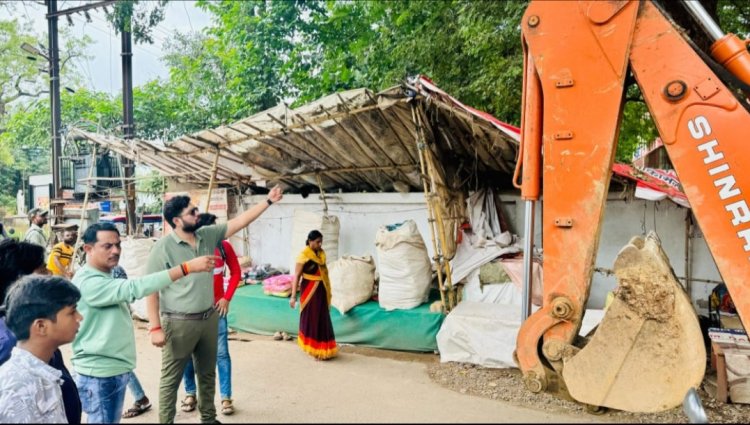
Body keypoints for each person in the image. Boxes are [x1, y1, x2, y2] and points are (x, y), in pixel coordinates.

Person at [146, 186, 283, 424]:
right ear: (177, 220)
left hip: (209, 318)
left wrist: (268, 202)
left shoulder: (208, 235)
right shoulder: (162, 248)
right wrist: (154, 327)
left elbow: (240, 221)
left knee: (207, 373)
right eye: (192, 212)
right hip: (178, 323)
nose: (197, 214)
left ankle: (209, 418)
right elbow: (151, 289)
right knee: (171, 379)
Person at [71, 222, 218, 424]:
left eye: (118, 245)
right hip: (100, 374)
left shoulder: (104, 276)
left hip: (110, 370)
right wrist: (186, 268)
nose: (115, 251)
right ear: (88, 249)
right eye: (107, 246)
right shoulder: (90, 282)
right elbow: (137, 287)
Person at [0, 238, 82, 424]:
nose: (49, 273)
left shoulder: (39, 338)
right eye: (42, 271)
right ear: (22, 283)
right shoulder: (10, 345)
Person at [180, 213, 242, 416]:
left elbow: (236, 272)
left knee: (221, 354)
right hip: (190, 311)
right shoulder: (188, 249)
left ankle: (226, 397)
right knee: (187, 355)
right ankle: (190, 393)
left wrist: (226, 297)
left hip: (217, 311)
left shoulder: (224, 246)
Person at [110, 265, 152, 420]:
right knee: (118, 363)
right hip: (112, 323)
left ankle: (141, 399)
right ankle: (141, 398)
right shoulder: (94, 271)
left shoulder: (114, 270)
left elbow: (123, 294)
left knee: (120, 363)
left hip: (115, 324)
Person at [290, 230, 338, 360]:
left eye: (321, 241)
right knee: (312, 318)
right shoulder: (303, 256)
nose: (320, 244)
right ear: (310, 241)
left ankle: (323, 348)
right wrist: (293, 296)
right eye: (317, 242)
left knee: (322, 318)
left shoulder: (321, 254)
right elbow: (297, 277)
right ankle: (314, 349)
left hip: (321, 290)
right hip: (309, 290)